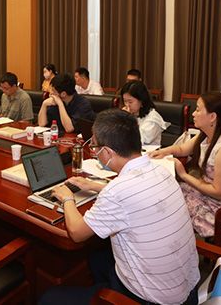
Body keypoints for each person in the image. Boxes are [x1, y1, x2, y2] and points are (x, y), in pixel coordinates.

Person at [40, 109, 199, 305]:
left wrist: (67, 198)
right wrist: (95, 186)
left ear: (107, 152)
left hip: (153, 300)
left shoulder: (117, 191)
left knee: (47, 298)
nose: (94, 151)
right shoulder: (161, 170)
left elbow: (77, 233)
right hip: (187, 288)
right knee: (98, 259)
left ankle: (110, 298)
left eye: (95, 146)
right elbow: (135, 196)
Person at [149, 91, 221, 238]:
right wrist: (162, 152)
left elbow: (219, 193)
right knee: (171, 192)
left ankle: (174, 242)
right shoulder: (208, 134)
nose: (193, 114)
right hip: (219, 200)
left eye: (198, 109)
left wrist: (183, 174)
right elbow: (183, 149)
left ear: (212, 117)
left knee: (171, 201)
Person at [120, 80, 169, 145]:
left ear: (142, 101)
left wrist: (126, 120)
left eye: (130, 102)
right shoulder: (129, 114)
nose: (127, 105)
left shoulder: (153, 118)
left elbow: (141, 140)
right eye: (125, 101)